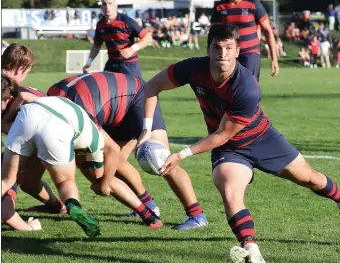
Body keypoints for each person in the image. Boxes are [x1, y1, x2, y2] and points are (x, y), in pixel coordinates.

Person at [137, 23, 340, 263]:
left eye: (229, 48)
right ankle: (253, 252)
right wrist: (146, 130)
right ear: (209, 50)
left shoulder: (247, 87)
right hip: (230, 149)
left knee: (310, 178)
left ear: (238, 51)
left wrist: (181, 154)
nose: (223, 54)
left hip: (261, 139)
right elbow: (152, 87)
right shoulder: (193, 68)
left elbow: (220, 134)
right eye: (217, 47)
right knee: (229, 189)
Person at [47, 71, 208, 229]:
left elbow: (112, 149)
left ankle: (197, 215)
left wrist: (104, 184)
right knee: (113, 164)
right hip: (110, 106)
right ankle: (148, 206)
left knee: (161, 160)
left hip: (136, 95)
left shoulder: (78, 114)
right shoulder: (51, 102)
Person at [1, 76, 104, 237]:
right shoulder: (95, 135)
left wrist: (5, 120)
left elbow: (23, 97)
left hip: (28, 115)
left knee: (6, 180)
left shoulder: (47, 100)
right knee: (65, 181)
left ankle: (57, 205)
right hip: (58, 128)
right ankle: (73, 205)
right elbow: (98, 172)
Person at [1, 44, 67, 215]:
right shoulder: (8, 88)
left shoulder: (16, 91)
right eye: (27, 71)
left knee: (9, 171)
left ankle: (6, 214)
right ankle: (57, 207)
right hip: (58, 135)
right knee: (28, 182)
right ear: (20, 69)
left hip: (45, 137)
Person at [210, 0, 279, 80]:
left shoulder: (253, 4)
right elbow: (212, 33)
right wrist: (210, 55)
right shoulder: (220, 6)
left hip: (250, 53)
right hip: (229, 55)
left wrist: (274, 59)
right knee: (228, 89)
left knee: (249, 88)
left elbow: (268, 30)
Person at [82, 0, 152, 76]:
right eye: (104, 4)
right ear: (101, 7)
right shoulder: (100, 25)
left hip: (129, 64)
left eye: (110, 3)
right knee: (104, 88)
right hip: (111, 65)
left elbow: (148, 37)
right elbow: (96, 46)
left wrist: (132, 49)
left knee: (134, 89)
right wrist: (88, 62)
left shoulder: (126, 21)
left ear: (116, 5)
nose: (107, 7)